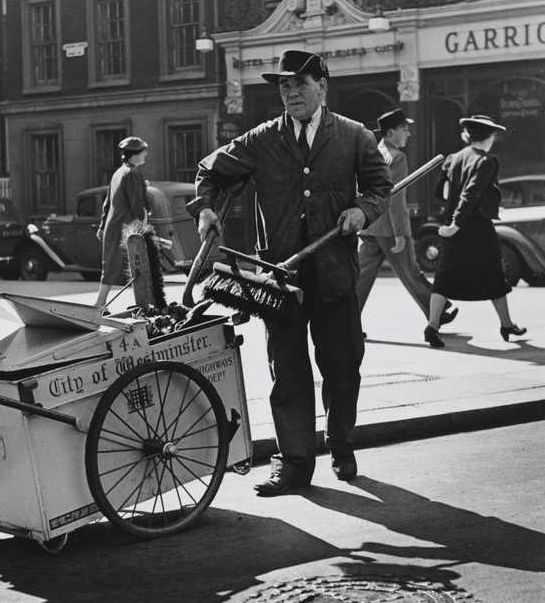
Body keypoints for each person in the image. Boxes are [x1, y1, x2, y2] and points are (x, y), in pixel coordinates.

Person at [187, 49, 393, 495]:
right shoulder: (263, 138)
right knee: (288, 372)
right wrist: (205, 210)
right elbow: (210, 169)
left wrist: (362, 210)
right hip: (279, 280)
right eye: (284, 85)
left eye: (300, 83)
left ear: (322, 86)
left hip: (335, 272)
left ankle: (340, 442)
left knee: (342, 365)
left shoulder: (353, 136)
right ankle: (295, 464)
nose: (291, 92)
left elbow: (381, 188)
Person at [424, 114, 526, 348]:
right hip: (476, 227)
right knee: (494, 275)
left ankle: (432, 326)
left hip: (453, 226)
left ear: (468, 136)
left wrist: (451, 223)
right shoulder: (486, 161)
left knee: (444, 277)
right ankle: (506, 324)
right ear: (488, 137)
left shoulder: (453, 158)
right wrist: (457, 224)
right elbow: (471, 194)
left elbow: (443, 193)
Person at [357, 109, 458, 332]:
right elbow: (395, 197)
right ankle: (437, 311)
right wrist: (401, 232)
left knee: (361, 279)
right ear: (391, 132)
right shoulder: (397, 157)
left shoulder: (373, 152)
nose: (409, 133)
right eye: (404, 128)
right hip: (389, 228)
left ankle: (346, 323)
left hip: (368, 225)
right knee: (411, 272)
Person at [94, 136, 148, 312]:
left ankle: (100, 303)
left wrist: (102, 226)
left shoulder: (118, 173)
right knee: (138, 264)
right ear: (133, 156)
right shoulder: (132, 174)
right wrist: (143, 225)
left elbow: (107, 202)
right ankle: (142, 305)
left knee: (110, 266)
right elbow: (136, 204)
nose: (145, 154)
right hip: (126, 227)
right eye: (142, 152)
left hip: (113, 225)